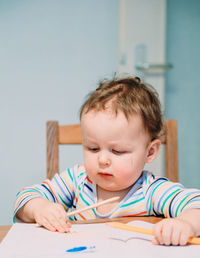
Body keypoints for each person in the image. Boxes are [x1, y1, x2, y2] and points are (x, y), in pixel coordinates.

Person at [14, 76, 200, 246]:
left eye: (117, 151)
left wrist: (185, 224)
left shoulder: (151, 190)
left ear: (150, 152)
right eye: (93, 148)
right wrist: (40, 208)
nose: (102, 159)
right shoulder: (78, 180)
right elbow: (23, 199)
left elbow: (196, 205)